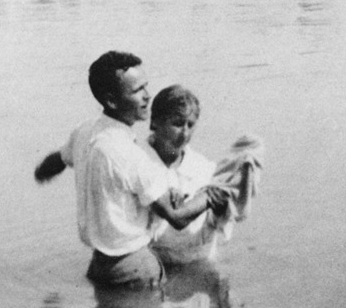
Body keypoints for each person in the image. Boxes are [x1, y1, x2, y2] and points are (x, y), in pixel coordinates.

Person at [34, 51, 227, 288]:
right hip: (135, 267)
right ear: (112, 101)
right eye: (137, 91)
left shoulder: (85, 131)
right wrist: (209, 195)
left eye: (146, 87)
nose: (147, 97)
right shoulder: (131, 153)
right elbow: (177, 218)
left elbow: (58, 159)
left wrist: (41, 173)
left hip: (99, 264)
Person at [142, 85, 264, 265]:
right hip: (156, 261)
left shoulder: (203, 167)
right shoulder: (138, 162)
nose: (184, 133)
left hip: (198, 258)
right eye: (177, 123)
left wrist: (220, 208)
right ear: (154, 123)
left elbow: (223, 221)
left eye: (190, 125)